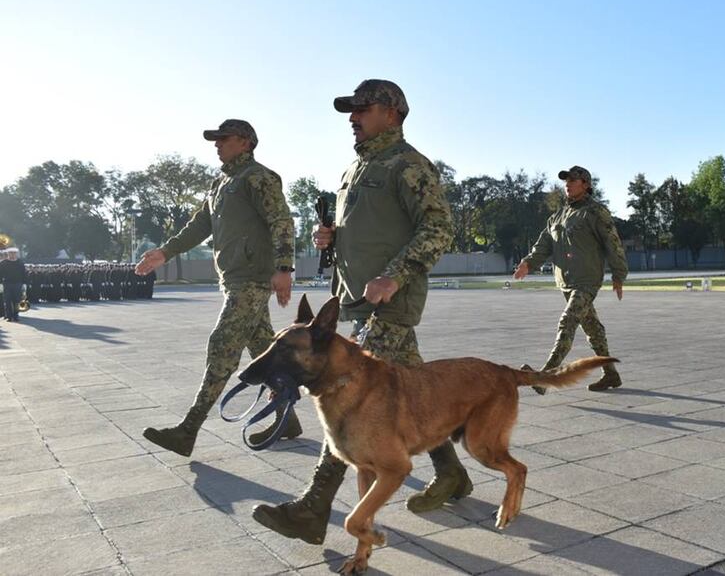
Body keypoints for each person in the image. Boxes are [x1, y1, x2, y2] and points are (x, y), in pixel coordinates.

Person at [252, 79, 466, 545]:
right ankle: (453, 473)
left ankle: (313, 509)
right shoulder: (359, 167)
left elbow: (438, 227)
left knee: (347, 400)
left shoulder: (408, 165)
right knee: (413, 398)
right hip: (359, 301)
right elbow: (374, 230)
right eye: (351, 110)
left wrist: (394, 275)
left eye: (362, 109)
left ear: (391, 113)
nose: (353, 117)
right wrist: (332, 239)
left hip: (388, 303)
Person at [135, 119, 298, 455]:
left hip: (252, 280)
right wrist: (165, 252)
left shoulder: (259, 177)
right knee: (264, 351)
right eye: (216, 139)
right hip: (234, 278)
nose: (217, 144)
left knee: (222, 347)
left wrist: (284, 268)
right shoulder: (220, 183)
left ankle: (188, 430)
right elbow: (199, 227)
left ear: (246, 142)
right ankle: (287, 416)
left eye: (224, 139)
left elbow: (281, 221)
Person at [513, 165, 628, 393]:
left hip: (586, 280)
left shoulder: (595, 212)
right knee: (593, 329)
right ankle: (611, 375)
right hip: (566, 281)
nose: (568, 183)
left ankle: (544, 378)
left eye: (573, 180)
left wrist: (618, 274)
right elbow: (543, 245)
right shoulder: (558, 216)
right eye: (566, 180)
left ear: (585, 184)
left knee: (567, 322)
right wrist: (528, 263)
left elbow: (613, 243)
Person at [1, 248, 27, 322]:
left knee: (17, 301)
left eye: (14, 253)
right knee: (7, 301)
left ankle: (16, 316)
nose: (13, 255)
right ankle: (9, 316)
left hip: (18, 284)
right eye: (11, 253)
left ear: (16, 254)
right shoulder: (3, 263)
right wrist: (0, 284)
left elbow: (24, 274)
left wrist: (24, 283)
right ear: (8, 254)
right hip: (7, 284)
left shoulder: (20, 263)